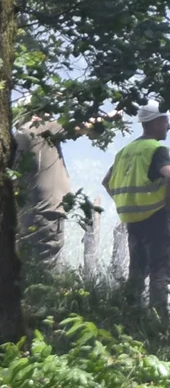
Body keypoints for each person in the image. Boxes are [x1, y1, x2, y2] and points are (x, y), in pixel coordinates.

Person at [16, 99, 119, 270]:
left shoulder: (19, 135)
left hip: (27, 213)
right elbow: (81, 127)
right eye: (44, 111)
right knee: (45, 267)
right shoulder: (42, 129)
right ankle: (43, 296)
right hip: (47, 211)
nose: (48, 115)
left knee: (27, 263)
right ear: (34, 114)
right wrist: (108, 117)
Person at [102, 101, 170, 318]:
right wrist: (169, 204)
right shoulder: (156, 149)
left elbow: (106, 181)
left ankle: (130, 315)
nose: (169, 126)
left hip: (133, 219)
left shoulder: (125, 151)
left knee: (137, 270)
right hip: (157, 218)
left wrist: (126, 203)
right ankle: (159, 320)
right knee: (159, 271)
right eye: (166, 121)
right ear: (155, 122)